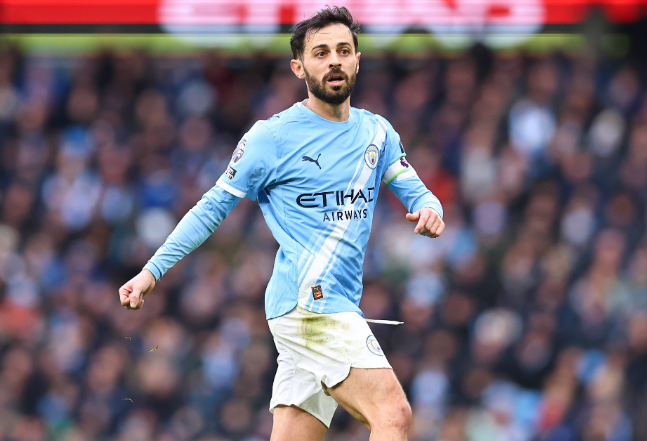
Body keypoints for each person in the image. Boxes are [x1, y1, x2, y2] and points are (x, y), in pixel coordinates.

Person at [119, 6, 445, 440]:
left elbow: (415, 190)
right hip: (312, 305)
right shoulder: (270, 138)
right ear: (299, 67)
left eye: (343, 51)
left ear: (357, 60)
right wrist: (151, 271)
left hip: (317, 307)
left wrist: (431, 210)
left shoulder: (378, 133)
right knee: (393, 414)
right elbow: (211, 207)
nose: (334, 61)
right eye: (321, 53)